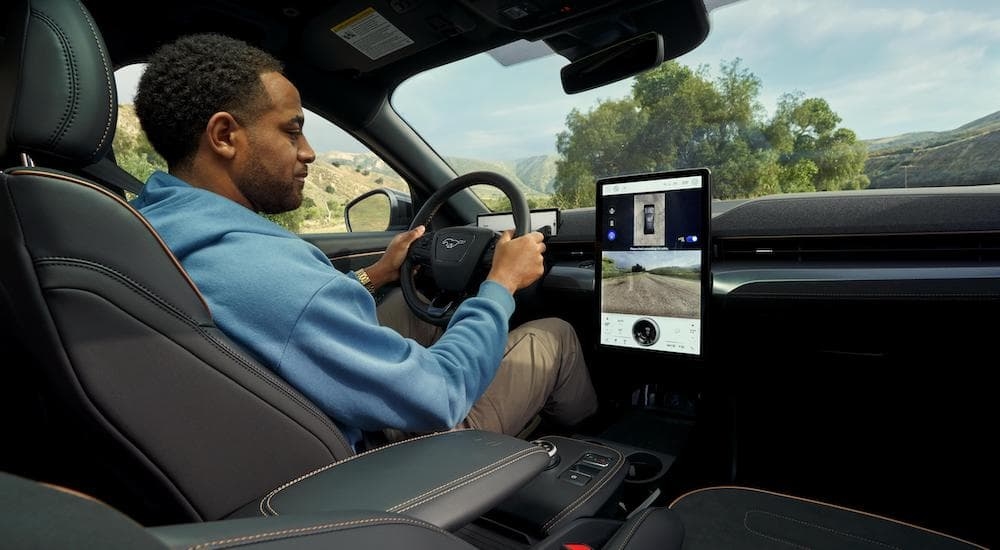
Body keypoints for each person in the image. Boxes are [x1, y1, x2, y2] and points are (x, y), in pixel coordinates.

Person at [129, 33, 597, 449]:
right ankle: (592, 444)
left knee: (430, 319)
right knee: (553, 335)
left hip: (283, 425)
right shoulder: (263, 268)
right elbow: (440, 393)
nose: (309, 151)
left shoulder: (146, 225)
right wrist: (501, 283)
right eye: (292, 129)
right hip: (375, 456)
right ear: (225, 135)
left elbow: (287, 315)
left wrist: (375, 275)